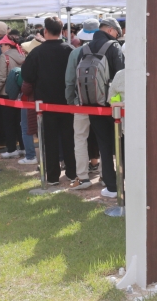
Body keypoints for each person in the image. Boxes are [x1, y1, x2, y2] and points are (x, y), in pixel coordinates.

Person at [65, 17, 124, 194]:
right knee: (120, 144)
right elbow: (121, 76)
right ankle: (122, 182)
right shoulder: (113, 47)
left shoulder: (84, 49)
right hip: (113, 105)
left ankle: (109, 183)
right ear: (112, 30)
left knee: (103, 144)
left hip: (91, 103)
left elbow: (74, 80)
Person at [22, 17, 75, 185]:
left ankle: (52, 176)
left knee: (49, 140)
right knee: (69, 138)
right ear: (62, 31)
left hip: (44, 103)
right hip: (67, 102)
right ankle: (72, 173)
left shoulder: (36, 52)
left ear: (45, 31)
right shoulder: (70, 50)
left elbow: (27, 76)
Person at [0, 35, 26, 159]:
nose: (0, 47)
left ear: (8, 45)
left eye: (2, 45)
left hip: (6, 94)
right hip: (20, 94)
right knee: (20, 122)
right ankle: (23, 147)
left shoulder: (3, 57)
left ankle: (11, 149)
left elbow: (1, 78)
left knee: (8, 123)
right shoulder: (23, 55)